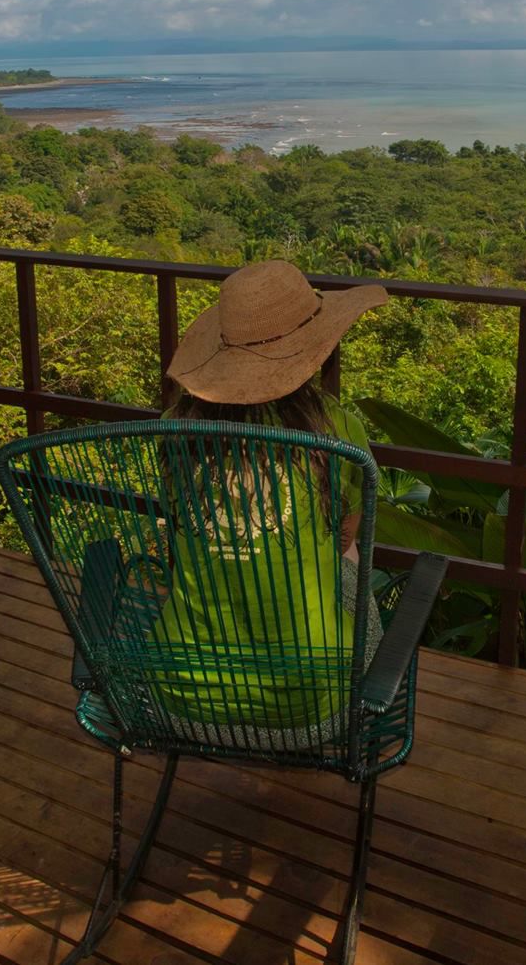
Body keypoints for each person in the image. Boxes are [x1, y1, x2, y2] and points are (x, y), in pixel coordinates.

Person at [149, 260, 388, 736]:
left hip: (177, 702)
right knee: (353, 563)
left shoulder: (176, 433)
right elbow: (347, 537)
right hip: (310, 714)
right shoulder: (334, 429)